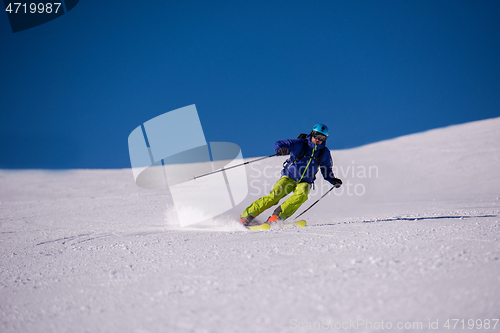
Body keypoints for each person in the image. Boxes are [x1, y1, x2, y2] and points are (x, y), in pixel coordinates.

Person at [239, 123, 342, 225]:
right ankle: (246, 217)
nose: (318, 139)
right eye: (316, 136)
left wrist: (332, 180)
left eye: (321, 138)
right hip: (289, 177)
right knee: (274, 196)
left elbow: (327, 169)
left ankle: (277, 217)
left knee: (302, 194)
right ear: (311, 133)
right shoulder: (300, 144)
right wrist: (280, 149)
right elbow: (279, 143)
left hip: (305, 181)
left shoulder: (324, 153)